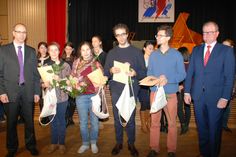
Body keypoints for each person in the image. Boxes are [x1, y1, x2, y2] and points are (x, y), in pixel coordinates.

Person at [184, 21, 235, 157]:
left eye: (210, 32)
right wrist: (187, 91)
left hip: (217, 98)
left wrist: (225, 97)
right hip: (198, 97)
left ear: (217, 33)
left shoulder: (226, 51)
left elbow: (229, 77)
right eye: (205, 32)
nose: (207, 35)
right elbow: (190, 74)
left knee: (214, 129)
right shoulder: (196, 50)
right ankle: (204, 153)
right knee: (202, 129)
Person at [104, 23, 146, 157]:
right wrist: (110, 70)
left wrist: (134, 73)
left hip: (131, 90)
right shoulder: (111, 53)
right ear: (115, 37)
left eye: (123, 34)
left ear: (127, 34)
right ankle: (119, 142)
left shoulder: (137, 52)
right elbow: (106, 72)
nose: (121, 37)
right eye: (118, 35)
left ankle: (131, 143)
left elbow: (143, 73)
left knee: (130, 119)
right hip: (116, 89)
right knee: (117, 119)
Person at [0, 23, 41, 157]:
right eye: (19, 32)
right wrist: (1, 92)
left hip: (28, 92)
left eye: (24, 32)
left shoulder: (31, 51)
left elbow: (36, 75)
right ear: (13, 33)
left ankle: (31, 145)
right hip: (10, 93)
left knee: (29, 122)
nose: (22, 34)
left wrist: (36, 92)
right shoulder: (3, 50)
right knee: (11, 123)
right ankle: (12, 148)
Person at [147, 25, 186, 157]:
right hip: (155, 92)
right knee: (154, 123)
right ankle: (154, 148)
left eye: (160, 35)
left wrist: (167, 79)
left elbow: (182, 75)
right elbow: (149, 72)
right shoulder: (153, 55)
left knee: (172, 123)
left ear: (168, 37)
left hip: (170, 94)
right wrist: (156, 79)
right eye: (157, 35)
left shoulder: (177, 54)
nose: (157, 37)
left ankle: (171, 150)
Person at [71, 41, 104, 154]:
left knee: (95, 122)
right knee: (83, 122)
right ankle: (85, 143)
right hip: (80, 97)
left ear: (91, 50)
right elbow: (72, 77)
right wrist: (74, 82)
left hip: (94, 96)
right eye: (83, 50)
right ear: (80, 51)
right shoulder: (76, 63)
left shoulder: (96, 63)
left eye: (87, 49)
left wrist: (100, 82)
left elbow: (102, 80)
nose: (85, 52)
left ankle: (93, 142)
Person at [43, 42, 71, 154]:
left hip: (63, 98)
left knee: (62, 121)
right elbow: (42, 82)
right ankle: (54, 143)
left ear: (59, 51)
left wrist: (61, 80)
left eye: (56, 50)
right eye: (51, 50)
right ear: (48, 52)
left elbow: (70, 82)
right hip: (51, 98)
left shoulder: (66, 65)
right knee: (53, 121)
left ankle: (62, 143)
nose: (54, 52)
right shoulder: (45, 66)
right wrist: (44, 84)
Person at [138, 40, 154, 133]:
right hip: (142, 85)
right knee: (144, 103)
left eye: (152, 48)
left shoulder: (153, 60)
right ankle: (143, 125)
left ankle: (148, 123)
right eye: (149, 48)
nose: (151, 50)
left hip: (151, 85)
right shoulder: (140, 59)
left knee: (149, 104)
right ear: (144, 49)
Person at [221, 39, 235, 133]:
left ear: (231, 47)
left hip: (229, 87)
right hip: (218, 87)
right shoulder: (218, 57)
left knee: (227, 108)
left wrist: (233, 89)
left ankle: (224, 125)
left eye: (226, 46)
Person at [61, 42, 76, 127]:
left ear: (72, 50)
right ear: (64, 49)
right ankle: (66, 119)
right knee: (66, 102)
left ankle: (70, 118)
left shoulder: (76, 59)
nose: (68, 50)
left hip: (73, 83)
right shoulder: (61, 60)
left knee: (73, 103)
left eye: (70, 49)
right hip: (64, 83)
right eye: (67, 49)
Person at [177, 46, 191, 135]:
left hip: (186, 89)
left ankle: (185, 125)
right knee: (181, 108)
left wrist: (182, 85)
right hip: (181, 89)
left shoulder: (189, 64)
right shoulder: (180, 64)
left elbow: (192, 78)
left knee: (185, 107)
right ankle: (184, 125)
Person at [37, 41, 50, 112]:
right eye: (41, 48)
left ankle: (48, 116)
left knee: (48, 100)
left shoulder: (50, 59)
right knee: (41, 101)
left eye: (45, 47)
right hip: (39, 84)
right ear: (38, 49)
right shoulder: (35, 60)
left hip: (48, 83)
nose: (43, 49)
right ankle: (43, 117)